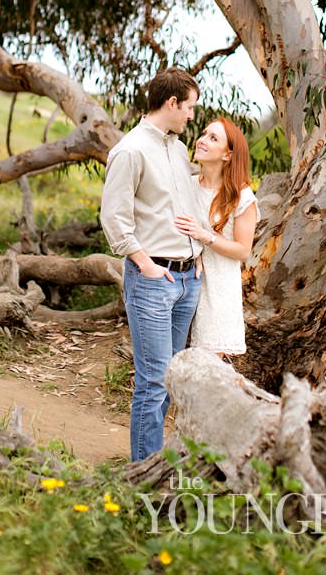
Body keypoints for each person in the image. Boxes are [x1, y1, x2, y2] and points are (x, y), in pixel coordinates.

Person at [99, 66, 205, 462]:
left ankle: (157, 465)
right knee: (154, 380)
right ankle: (143, 475)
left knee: (171, 379)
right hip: (153, 280)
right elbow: (114, 217)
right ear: (171, 102)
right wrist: (144, 264)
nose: (192, 115)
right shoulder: (129, 150)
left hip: (186, 279)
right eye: (189, 107)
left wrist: (197, 255)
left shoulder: (177, 148)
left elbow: (185, 208)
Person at [176, 117, 258, 357]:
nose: (202, 141)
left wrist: (205, 236)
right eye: (204, 134)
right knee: (174, 361)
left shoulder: (241, 197)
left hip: (218, 290)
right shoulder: (188, 185)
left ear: (228, 155)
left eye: (213, 138)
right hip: (184, 280)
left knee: (205, 366)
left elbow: (243, 251)